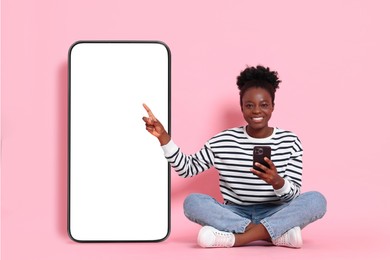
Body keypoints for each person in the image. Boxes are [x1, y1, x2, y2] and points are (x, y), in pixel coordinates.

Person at [142, 65, 327, 248]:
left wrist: (277, 181)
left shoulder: (290, 141)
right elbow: (187, 169)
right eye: (249, 105)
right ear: (241, 107)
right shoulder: (223, 140)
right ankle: (273, 235)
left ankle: (237, 239)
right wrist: (164, 137)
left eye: (264, 105)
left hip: (276, 211)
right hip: (235, 213)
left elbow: (293, 196)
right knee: (193, 202)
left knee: (316, 200)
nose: (256, 111)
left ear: (272, 107)